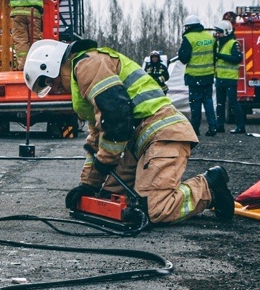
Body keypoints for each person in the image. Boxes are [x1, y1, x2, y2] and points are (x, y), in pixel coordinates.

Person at [23, 38, 234, 224]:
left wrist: (104, 163)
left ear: (51, 64)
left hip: (163, 132)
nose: (55, 87)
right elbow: (97, 139)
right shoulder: (81, 79)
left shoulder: (88, 64)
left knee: (154, 208)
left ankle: (208, 187)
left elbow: (116, 118)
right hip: (140, 141)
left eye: (49, 81)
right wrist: (88, 184)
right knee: (107, 199)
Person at [177, 15, 219, 136]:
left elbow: (184, 58)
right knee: (208, 101)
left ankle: (195, 129)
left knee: (195, 103)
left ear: (189, 26)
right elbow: (215, 55)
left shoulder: (188, 38)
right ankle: (213, 127)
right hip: (208, 75)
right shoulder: (209, 37)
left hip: (194, 76)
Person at [213, 20, 247, 134]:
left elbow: (237, 58)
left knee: (233, 103)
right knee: (220, 103)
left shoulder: (234, 43)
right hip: (219, 78)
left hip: (230, 78)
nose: (217, 34)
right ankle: (219, 126)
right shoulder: (217, 43)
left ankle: (240, 126)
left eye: (219, 32)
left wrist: (220, 56)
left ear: (226, 32)